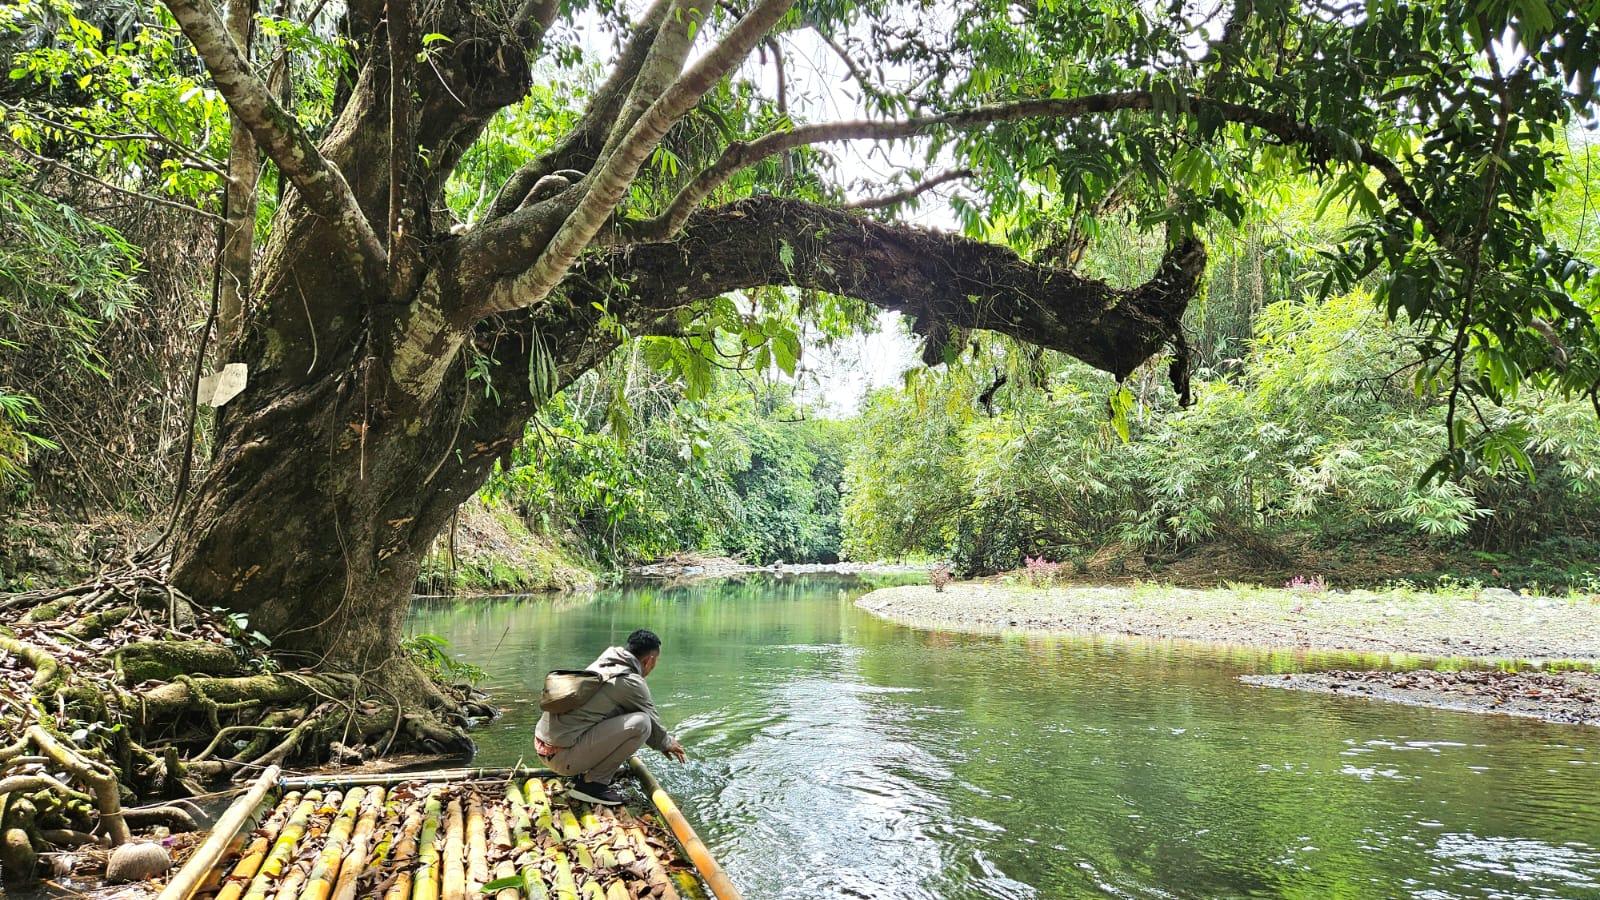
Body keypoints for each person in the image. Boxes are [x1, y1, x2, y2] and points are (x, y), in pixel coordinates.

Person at [535, 628, 687, 805]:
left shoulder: (606, 662)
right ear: (649, 660)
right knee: (642, 723)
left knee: (625, 712)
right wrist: (668, 743)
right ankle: (592, 785)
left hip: (544, 746)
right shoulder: (630, 681)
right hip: (563, 758)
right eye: (656, 661)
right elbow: (652, 723)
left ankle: (585, 774)